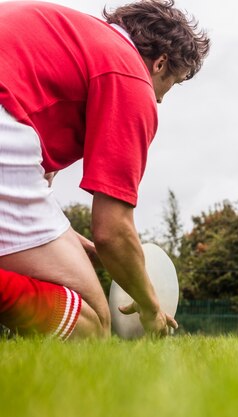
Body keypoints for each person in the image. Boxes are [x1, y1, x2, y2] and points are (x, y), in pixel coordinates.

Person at [0, 0, 210, 340]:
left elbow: (31, 212)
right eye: (170, 84)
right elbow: (112, 230)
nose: (160, 100)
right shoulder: (130, 75)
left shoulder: (72, 37)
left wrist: (82, 248)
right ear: (160, 64)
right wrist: (150, 305)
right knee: (92, 323)